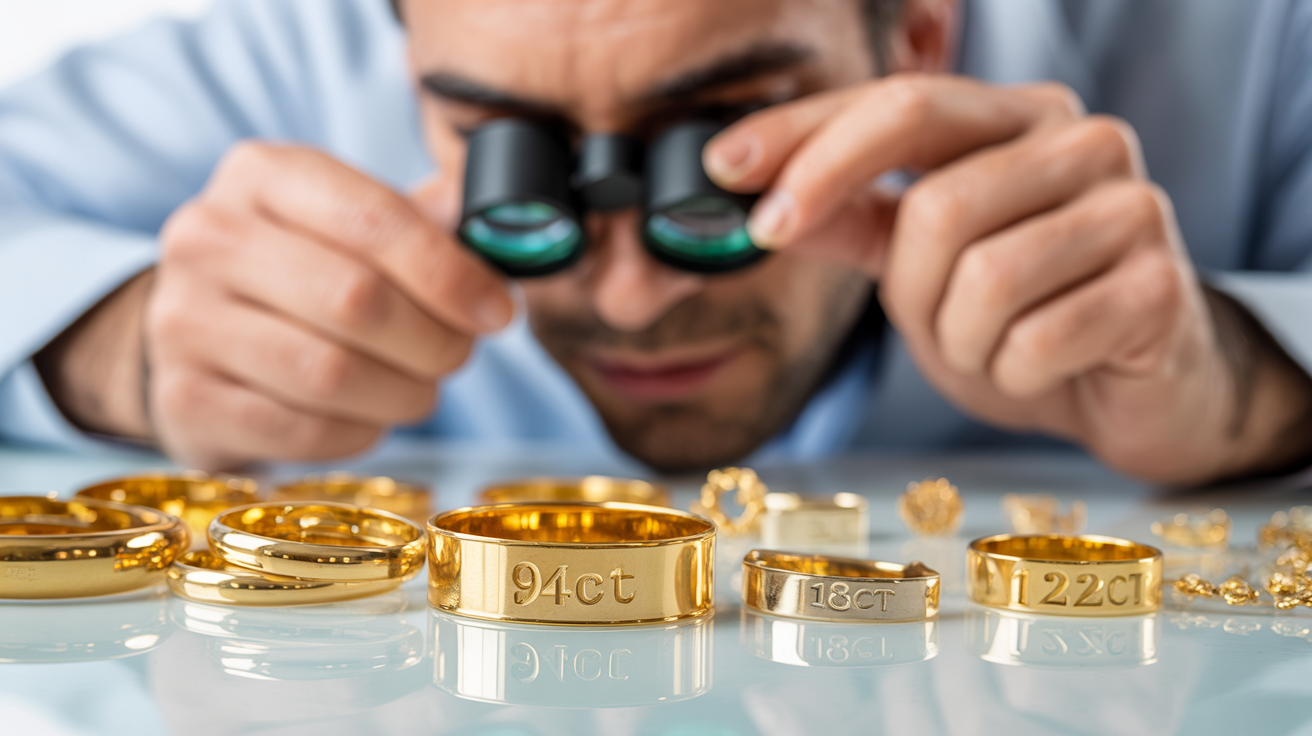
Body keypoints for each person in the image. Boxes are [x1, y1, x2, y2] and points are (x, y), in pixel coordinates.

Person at [1, 0, 1310, 484]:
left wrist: (1251, 386)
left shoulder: (1252, 42)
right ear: (404, 59)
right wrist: (122, 351)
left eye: (722, 154)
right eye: (502, 140)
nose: (627, 299)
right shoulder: (288, 56)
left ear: (916, 38)